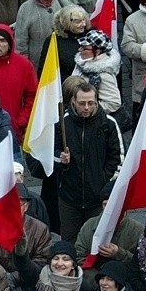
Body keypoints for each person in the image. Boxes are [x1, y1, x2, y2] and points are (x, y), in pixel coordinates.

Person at [54, 82, 123, 242]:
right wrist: (61, 158)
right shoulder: (63, 124)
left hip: (98, 199)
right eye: (82, 103)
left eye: (90, 103)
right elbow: (50, 153)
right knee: (69, 242)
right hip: (69, 197)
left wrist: (104, 184)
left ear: (97, 102)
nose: (86, 107)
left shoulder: (108, 123)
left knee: (98, 241)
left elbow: (119, 159)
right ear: (73, 102)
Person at [74, 180, 143, 283]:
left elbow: (141, 264)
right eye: (105, 205)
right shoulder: (89, 226)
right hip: (92, 281)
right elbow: (79, 257)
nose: (109, 209)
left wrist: (118, 253)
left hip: (123, 281)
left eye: (114, 205)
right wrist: (99, 280)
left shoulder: (137, 230)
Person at [71, 29, 122, 114]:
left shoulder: (104, 75)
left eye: (85, 48)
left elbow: (114, 103)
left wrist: (86, 109)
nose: (80, 50)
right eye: (81, 46)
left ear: (97, 51)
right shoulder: (82, 63)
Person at [38, 6, 91, 81]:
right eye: (78, 22)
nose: (83, 24)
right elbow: (44, 68)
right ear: (67, 22)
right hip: (64, 86)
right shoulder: (54, 40)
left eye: (84, 20)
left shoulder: (91, 36)